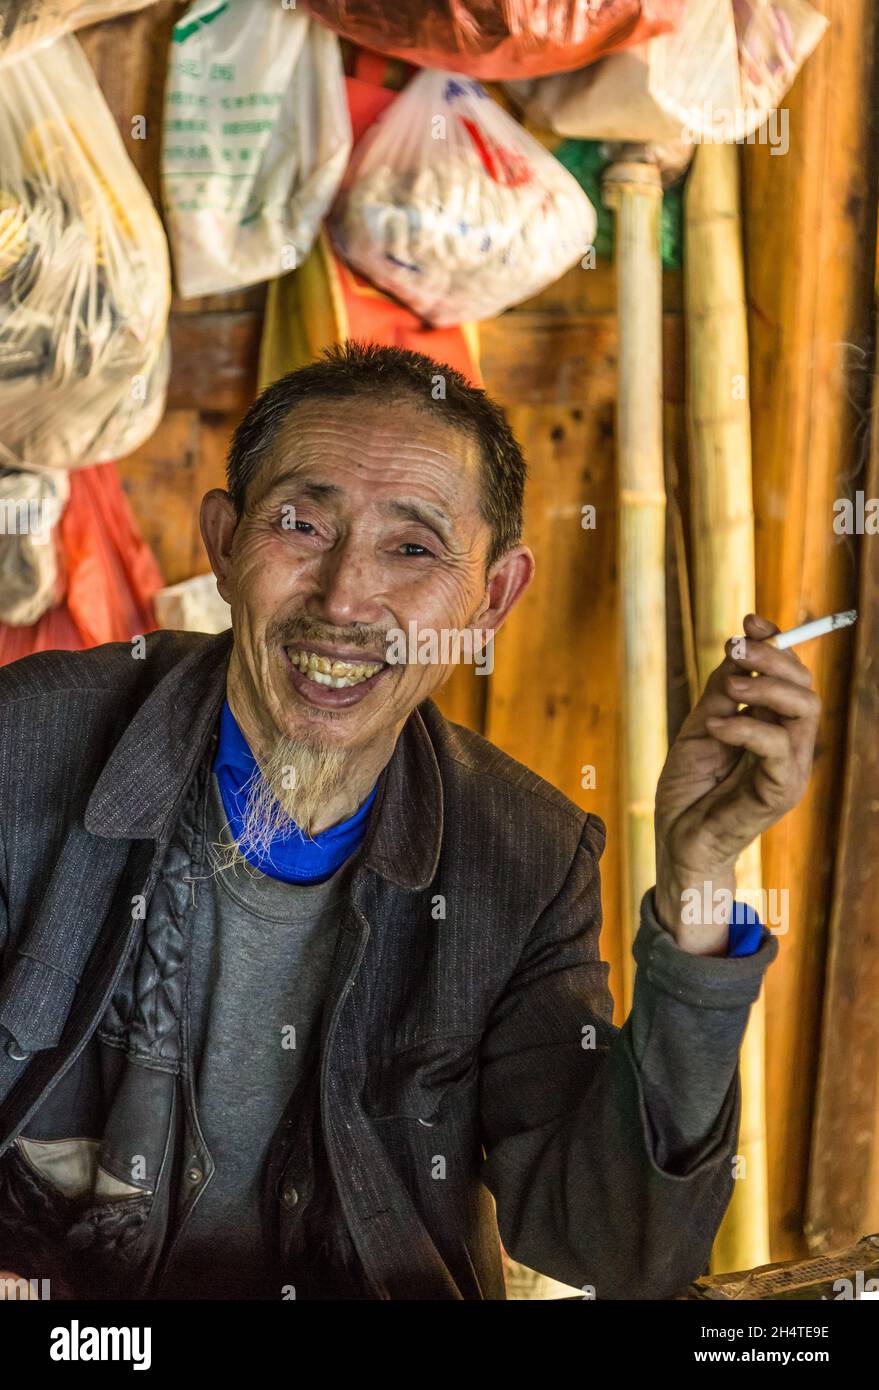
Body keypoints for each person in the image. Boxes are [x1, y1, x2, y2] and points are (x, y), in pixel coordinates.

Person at [0, 341, 820, 1300]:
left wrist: (702, 867)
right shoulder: (27, 748)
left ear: (491, 600)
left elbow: (611, 1245)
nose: (345, 597)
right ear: (223, 544)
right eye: (302, 525)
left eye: (413, 547)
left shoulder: (522, 856)